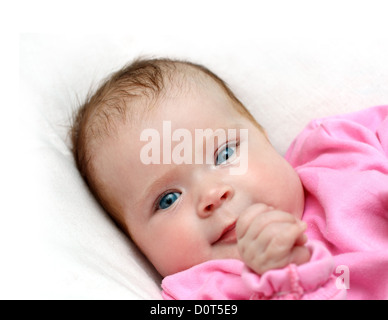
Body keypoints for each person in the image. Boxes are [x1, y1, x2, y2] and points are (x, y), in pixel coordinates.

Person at [71, 58, 388, 299]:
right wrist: (284, 277)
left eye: (224, 155)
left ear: (262, 136)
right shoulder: (203, 292)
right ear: (136, 243)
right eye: (168, 199)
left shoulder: (339, 149)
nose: (211, 195)